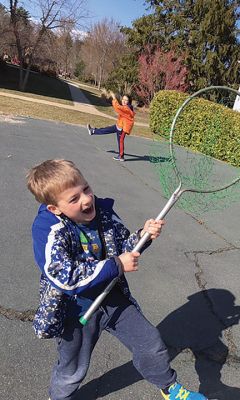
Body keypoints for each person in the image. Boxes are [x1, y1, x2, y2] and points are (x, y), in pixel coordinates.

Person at [26, 159, 208, 400]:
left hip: (112, 296)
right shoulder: (48, 229)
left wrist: (143, 236)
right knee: (72, 366)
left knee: (150, 342)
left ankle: (170, 388)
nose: (86, 199)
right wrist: (116, 265)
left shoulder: (102, 212)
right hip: (75, 308)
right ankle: (59, 397)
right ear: (55, 208)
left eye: (86, 189)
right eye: (74, 199)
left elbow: (124, 246)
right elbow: (63, 275)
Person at [87, 92, 135, 162]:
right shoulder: (126, 107)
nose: (124, 101)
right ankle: (93, 131)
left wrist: (114, 98)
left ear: (129, 101)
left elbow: (117, 107)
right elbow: (120, 108)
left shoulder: (127, 108)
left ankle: (121, 156)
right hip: (119, 125)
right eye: (123, 99)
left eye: (126, 100)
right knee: (106, 130)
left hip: (122, 128)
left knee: (120, 141)